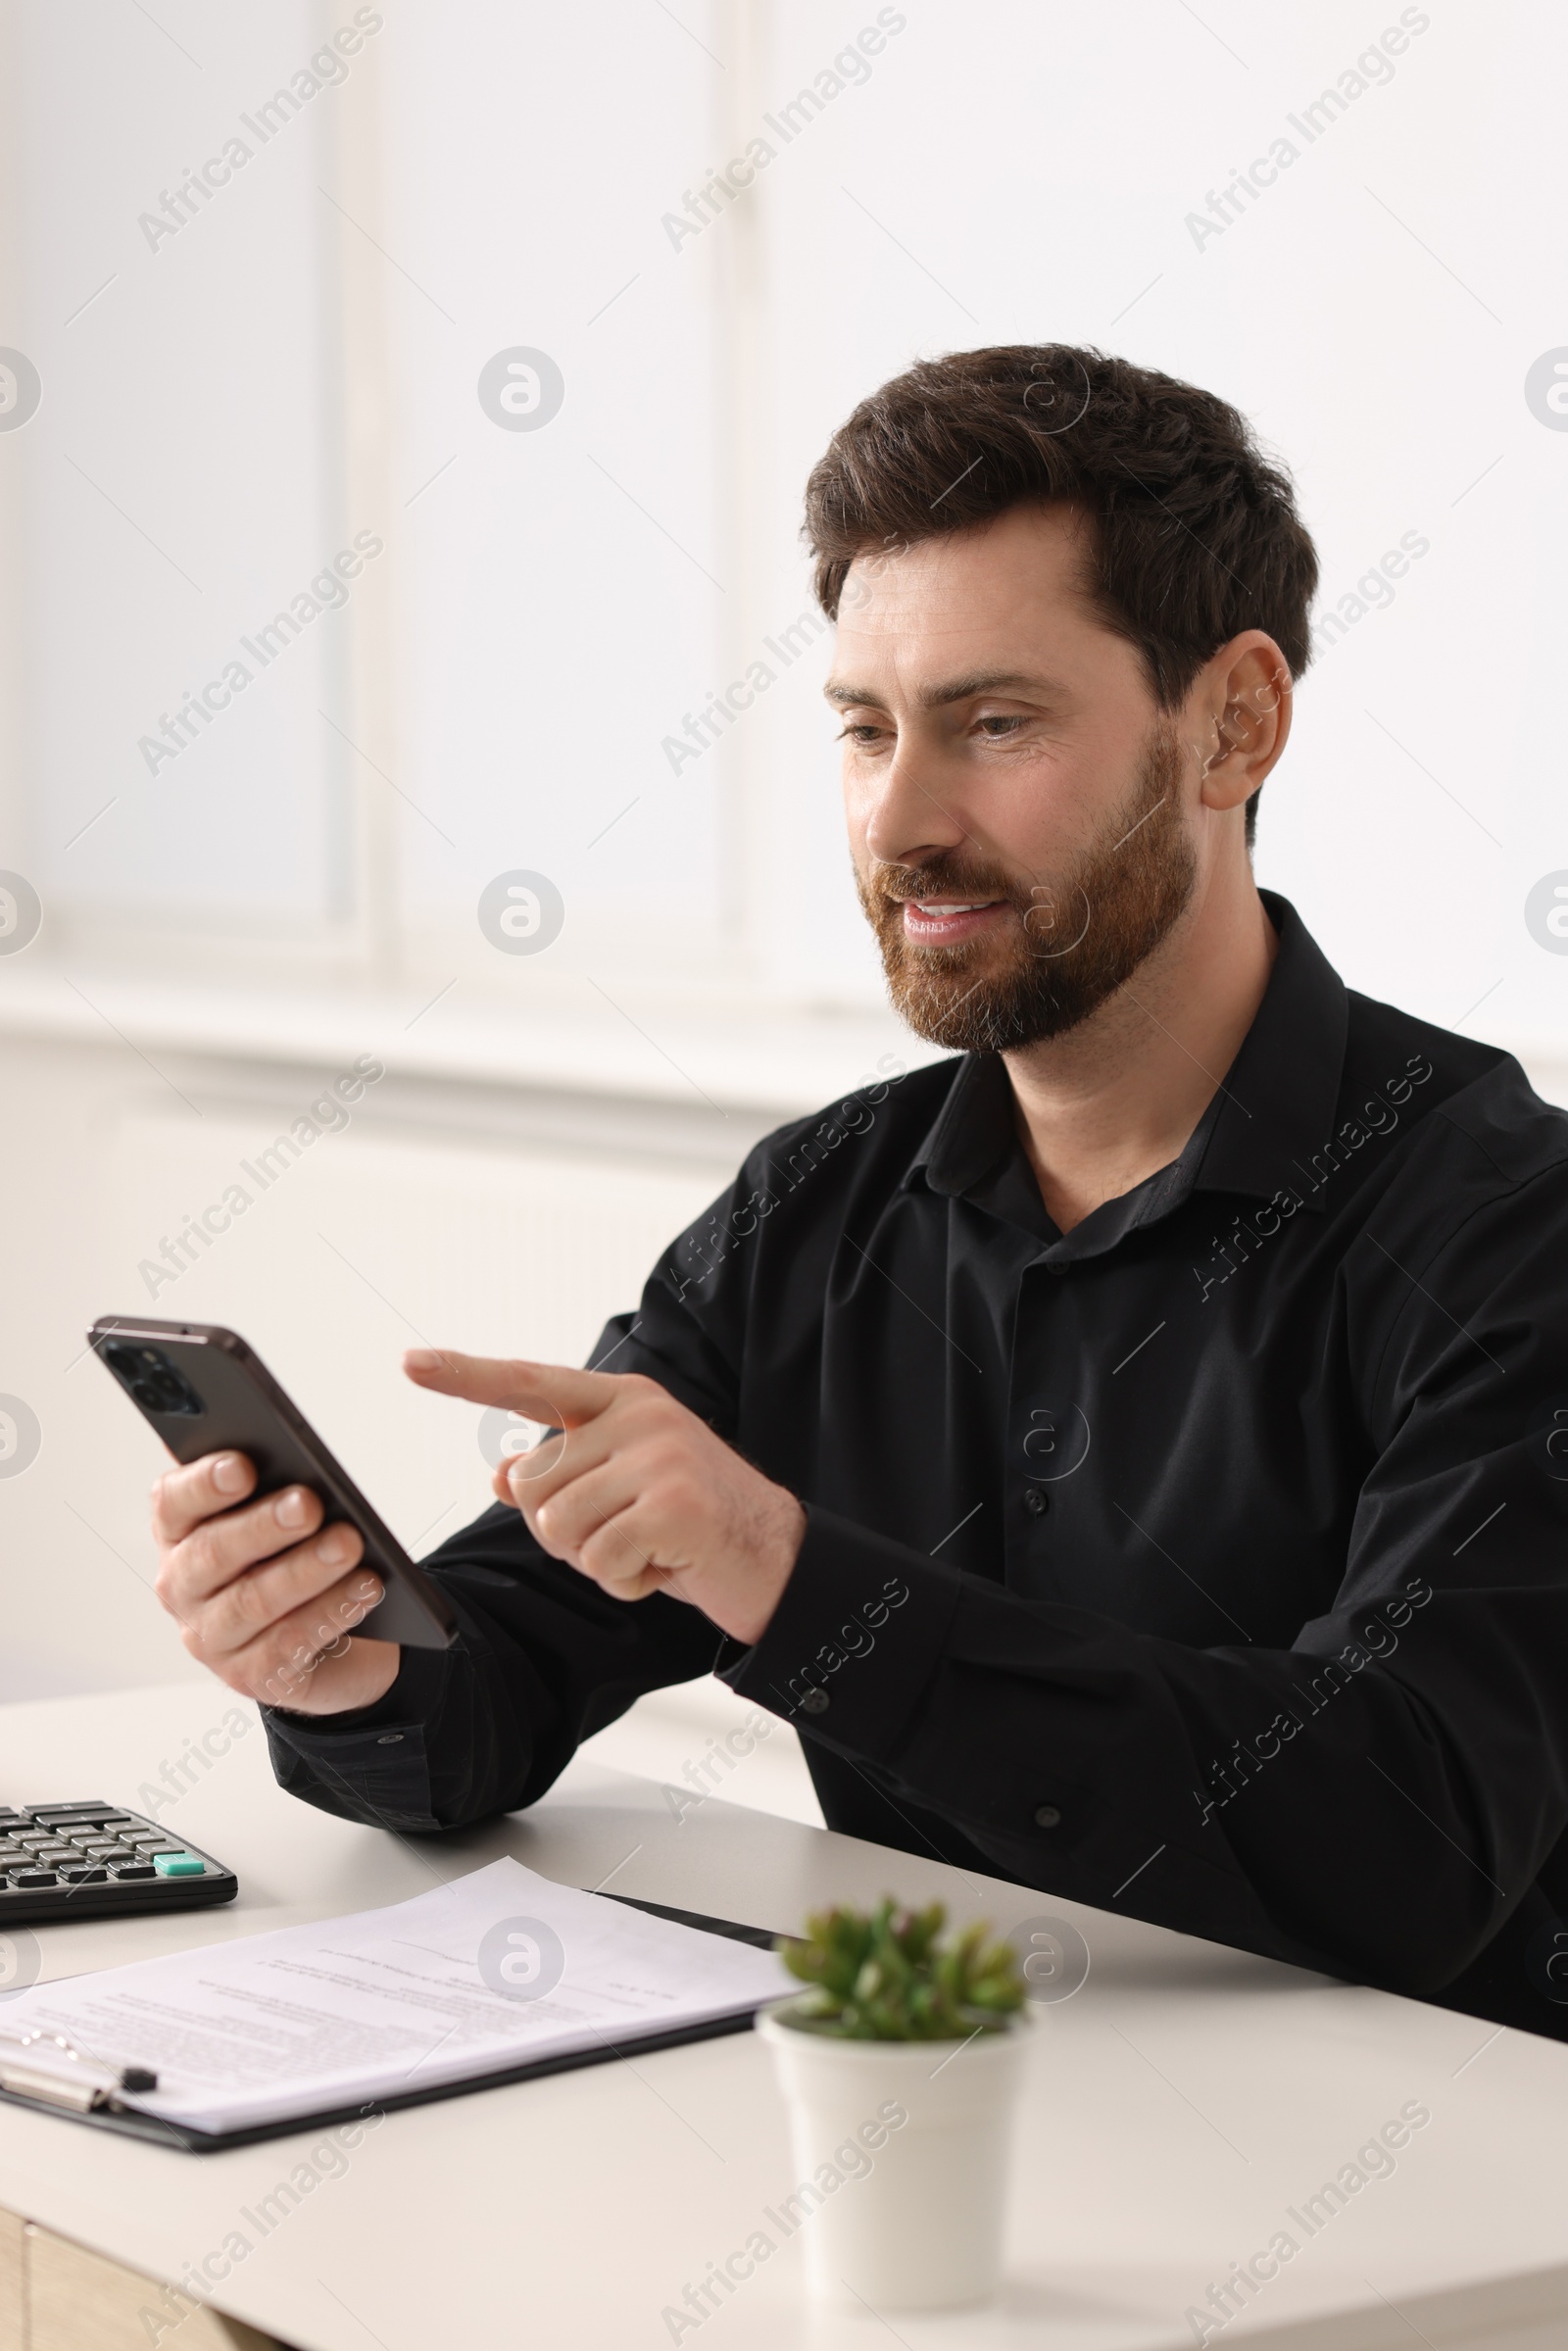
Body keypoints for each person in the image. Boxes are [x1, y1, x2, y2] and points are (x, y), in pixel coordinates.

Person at [150, 346, 1568, 2039]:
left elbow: (1404, 1837)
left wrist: (784, 1567)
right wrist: (344, 1663)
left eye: (994, 722)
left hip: (1422, 2219)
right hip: (934, 2152)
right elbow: (497, 1684)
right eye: (865, 728)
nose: (900, 820)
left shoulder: (1507, 1229)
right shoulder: (814, 1210)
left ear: (1235, 723)